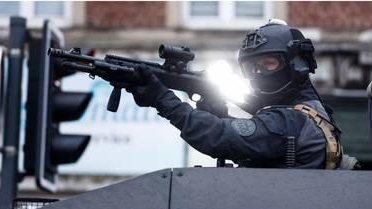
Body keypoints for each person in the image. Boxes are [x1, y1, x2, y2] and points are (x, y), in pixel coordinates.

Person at [127, 19, 353, 169]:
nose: (259, 73)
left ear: (295, 64)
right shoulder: (309, 113)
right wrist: (217, 113)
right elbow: (254, 145)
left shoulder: (291, 121)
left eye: (269, 63)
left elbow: (218, 137)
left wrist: (163, 99)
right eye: (252, 67)